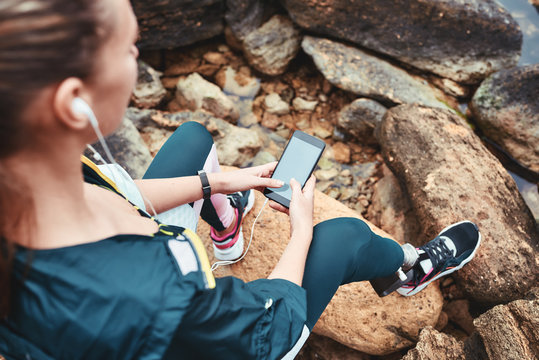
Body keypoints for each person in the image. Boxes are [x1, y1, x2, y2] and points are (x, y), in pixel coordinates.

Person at [0, 0, 481, 358]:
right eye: (129, 47)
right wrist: (301, 233)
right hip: (227, 338)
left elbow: (118, 195)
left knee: (192, 141)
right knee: (346, 236)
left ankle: (226, 231)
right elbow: (270, 335)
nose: (137, 57)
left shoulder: (27, 174)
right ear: (72, 101)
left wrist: (219, 184)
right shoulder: (151, 291)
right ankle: (409, 268)